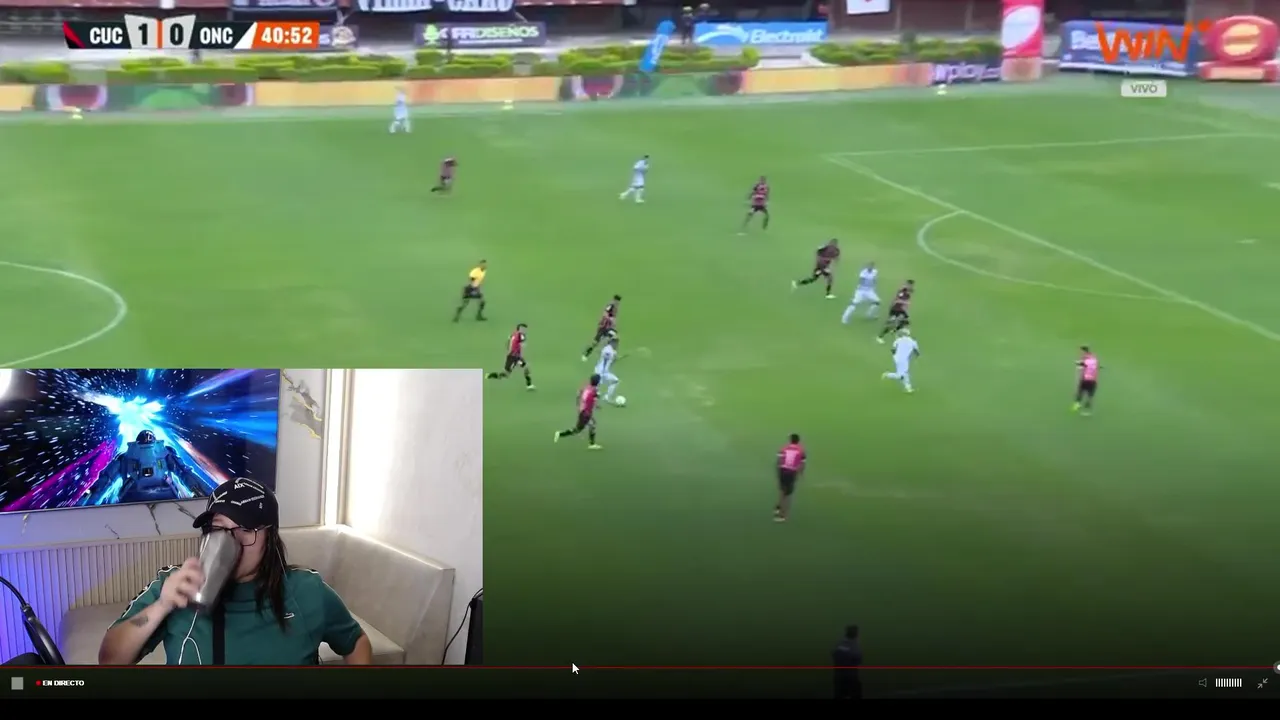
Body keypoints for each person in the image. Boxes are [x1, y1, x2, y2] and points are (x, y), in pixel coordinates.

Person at [98, 478, 373, 666]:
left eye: (246, 529)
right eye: (218, 529)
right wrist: (161, 606)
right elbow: (110, 659)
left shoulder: (307, 590)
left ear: (270, 537)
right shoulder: (175, 586)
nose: (231, 541)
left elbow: (356, 641)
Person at [882, 328, 919, 393]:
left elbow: (893, 350)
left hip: (897, 358)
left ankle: (908, 388)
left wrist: (896, 355)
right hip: (903, 360)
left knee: (905, 373)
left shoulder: (897, 340)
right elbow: (916, 352)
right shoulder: (913, 341)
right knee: (901, 376)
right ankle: (887, 375)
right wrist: (916, 357)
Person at [832, 625, 863, 699]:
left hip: (839, 677)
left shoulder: (839, 643)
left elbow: (833, 654)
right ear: (856, 634)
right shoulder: (854, 645)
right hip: (851, 677)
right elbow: (858, 659)